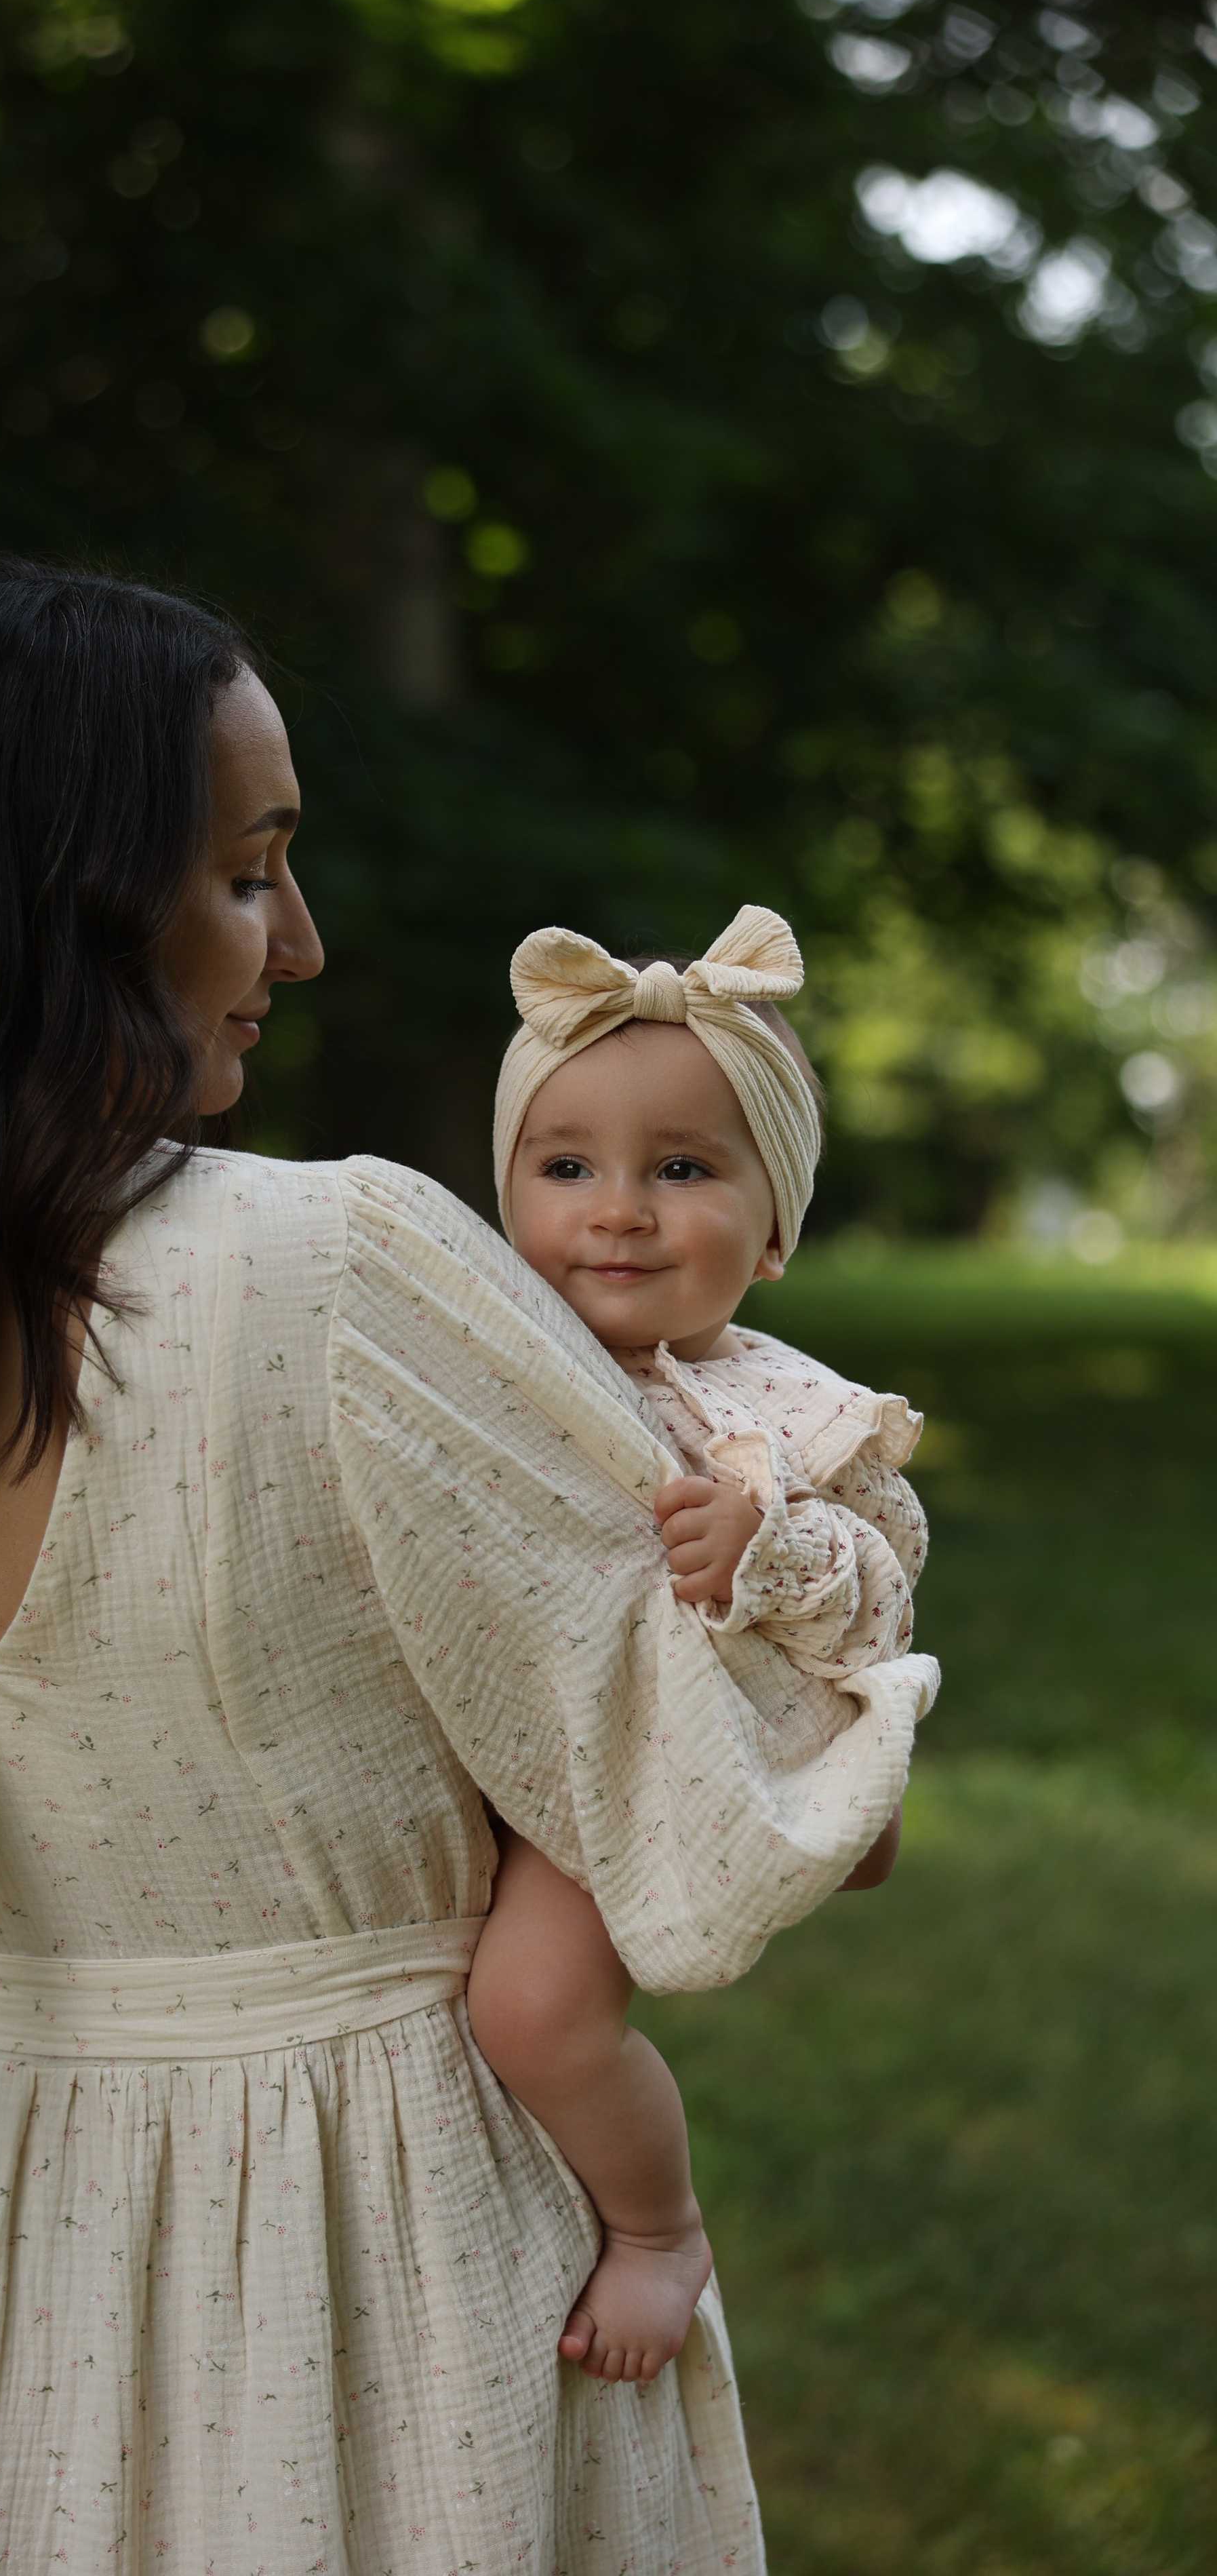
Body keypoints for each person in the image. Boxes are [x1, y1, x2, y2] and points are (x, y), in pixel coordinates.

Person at [0, 560, 925, 2576]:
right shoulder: (335, 1274)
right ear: (68, 898)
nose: (299, 941)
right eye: (247, 873)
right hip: (386, 2249)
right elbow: (744, 1804)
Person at [465, 914, 936, 2389]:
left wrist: (760, 1542)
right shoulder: (482, 1361)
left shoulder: (775, 1410)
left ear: (775, 1225)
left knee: (530, 2008)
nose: (616, 1209)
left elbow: (881, 1574)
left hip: (660, 1746)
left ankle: (658, 2231)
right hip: (516, 1716)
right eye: (564, 1166)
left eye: (680, 1168)